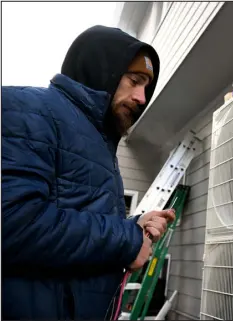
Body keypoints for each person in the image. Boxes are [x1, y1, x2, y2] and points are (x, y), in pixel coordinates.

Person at [2, 25, 172, 320]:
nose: (142, 98)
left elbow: (73, 216)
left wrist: (135, 225)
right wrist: (127, 239)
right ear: (101, 71)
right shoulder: (27, 108)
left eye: (146, 87)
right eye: (135, 81)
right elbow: (12, 223)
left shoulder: (101, 145)